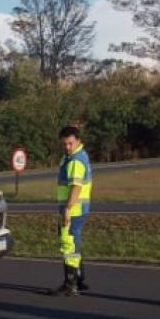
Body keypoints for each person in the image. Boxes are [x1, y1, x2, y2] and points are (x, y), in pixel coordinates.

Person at [51, 125, 92, 297]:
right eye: (65, 144)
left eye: (70, 143)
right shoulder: (78, 156)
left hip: (73, 210)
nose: (67, 147)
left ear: (78, 141)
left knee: (69, 244)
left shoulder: (75, 160)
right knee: (74, 242)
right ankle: (79, 279)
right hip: (78, 209)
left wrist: (67, 210)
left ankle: (70, 284)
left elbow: (76, 187)